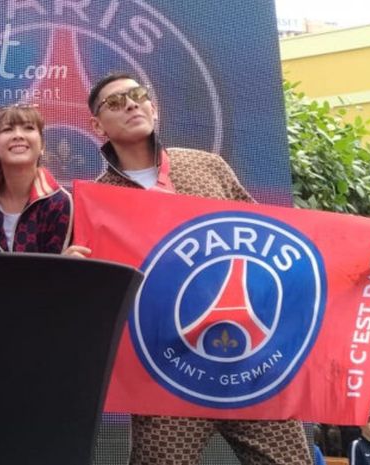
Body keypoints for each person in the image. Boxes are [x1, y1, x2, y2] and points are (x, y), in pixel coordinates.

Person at [76, 72, 312, 465]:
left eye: (138, 96)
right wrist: (77, 271)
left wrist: (349, 263)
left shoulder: (208, 167)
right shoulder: (97, 202)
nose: (132, 105)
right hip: (168, 373)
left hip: (249, 363)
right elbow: (98, 294)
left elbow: (272, 239)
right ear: (96, 126)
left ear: (155, 107)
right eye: (115, 103)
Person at [0, 104, 73, 253]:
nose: (18, 135)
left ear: (42, 146)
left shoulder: (61, 202)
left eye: (28, 128)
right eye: (7, 129)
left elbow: (57, 268)